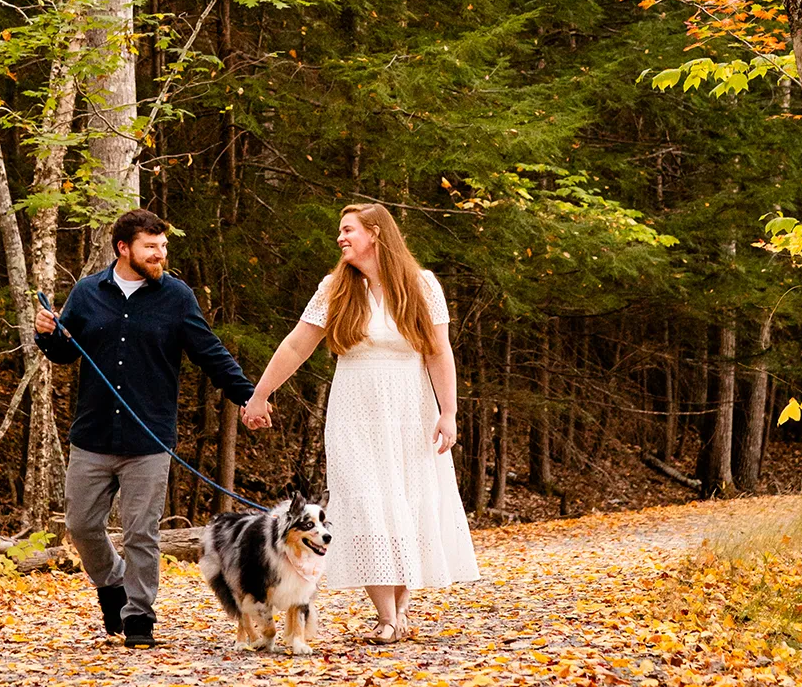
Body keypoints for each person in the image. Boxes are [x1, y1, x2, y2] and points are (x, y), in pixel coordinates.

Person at [241, 201, 479, 642]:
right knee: (366, 506)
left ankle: (400, 610)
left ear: (376, 234)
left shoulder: (422, 285)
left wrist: (449, 412)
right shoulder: (335, 287)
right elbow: (297, 346)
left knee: (406, 506)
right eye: (340, 231)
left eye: (348, 229)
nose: (340, 238)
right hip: (355, 412)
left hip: (411, 410)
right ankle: (387, 616)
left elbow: (438, 351)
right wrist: (260, 394)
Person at [35, 208, 255, 648]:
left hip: (149, 440)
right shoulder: (87, 293)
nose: (160, 254)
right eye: (151, 247)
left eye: (163, 247)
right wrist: (47, 333)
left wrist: (248, 396)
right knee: (81, 525)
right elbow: (63, 353)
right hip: (92, 436)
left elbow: (209, 352)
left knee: (141, 532)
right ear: (123, 249)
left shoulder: (176, 297)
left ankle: (139, 618)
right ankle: (112, 584)